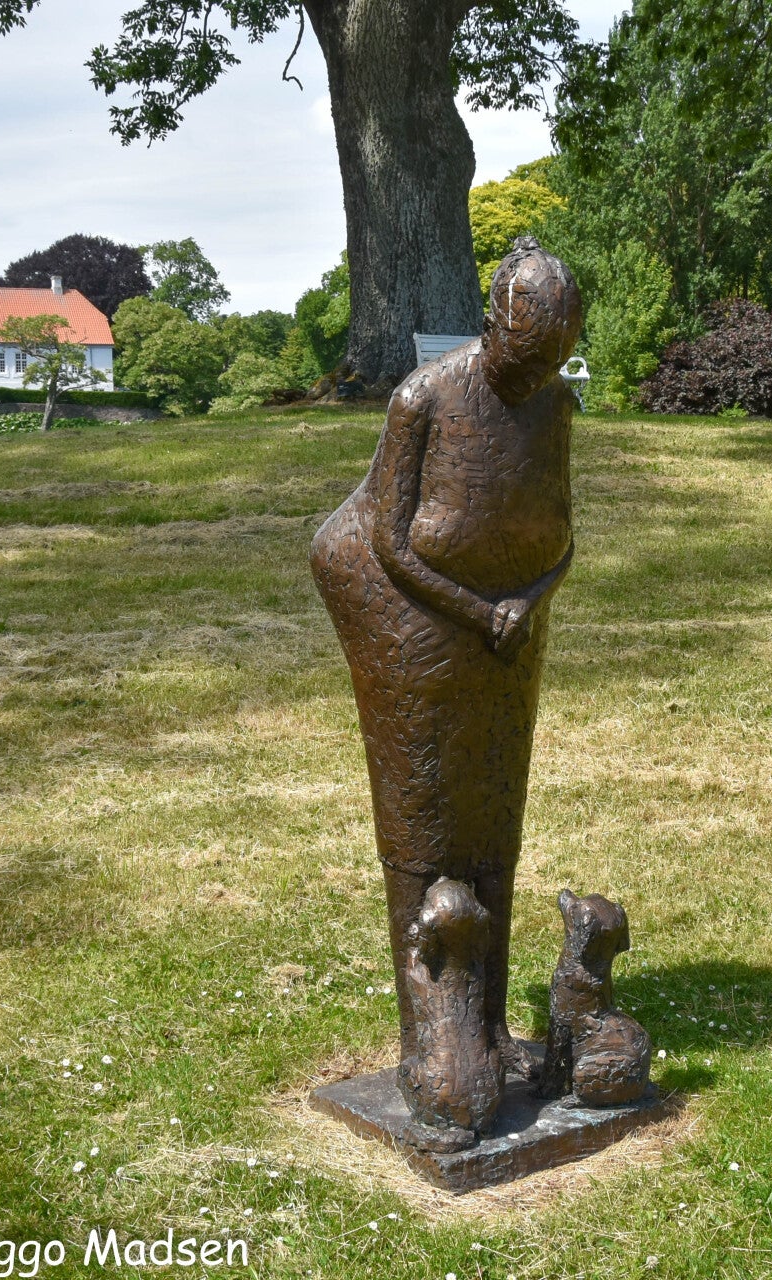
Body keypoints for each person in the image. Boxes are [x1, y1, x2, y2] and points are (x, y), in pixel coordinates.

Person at [311, 237, 583, 1090]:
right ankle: (430, 1040)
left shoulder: (553, 406)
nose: (533, 379)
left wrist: (527, 600)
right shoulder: (423, 399)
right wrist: (478, 611)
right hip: (407, 608)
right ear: (490, 326)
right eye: (522, 360)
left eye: (550, 364)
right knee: (424, 820)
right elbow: (390, 542)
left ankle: (490, 1028)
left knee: (495, 812)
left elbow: (564, 534)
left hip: (508, 622)